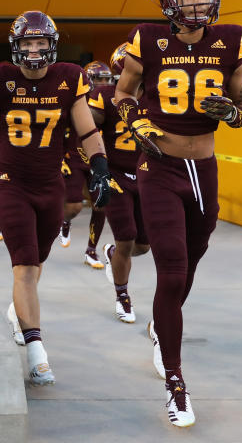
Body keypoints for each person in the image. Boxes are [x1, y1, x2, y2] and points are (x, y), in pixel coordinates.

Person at [114, 0, 242, 427]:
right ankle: (176, 382)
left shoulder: (231, 40)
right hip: (160, 166)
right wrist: (137, 121)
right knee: (172, 270)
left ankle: (161, 324)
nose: (198, 3)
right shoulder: (147, 38)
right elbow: (123, 94)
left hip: (204, 168)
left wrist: (231, 112)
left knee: (191, 264)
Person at [0, 11, 116, 385]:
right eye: (27, 43)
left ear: (52, 45)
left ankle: (19, 314)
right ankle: (37, 351)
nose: (34, 50)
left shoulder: (69, 77)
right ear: (16, 48)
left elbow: (86, 129)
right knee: (26, 266)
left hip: (50, 183)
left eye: (40, 43)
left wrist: (100, 167)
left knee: (37, 261)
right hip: (11, 180)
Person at [90, 45, 151, 323]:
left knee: (143, 245)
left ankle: (112, 254)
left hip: (147, 176)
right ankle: (122, 296)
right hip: (116, 174)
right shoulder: (104, 96)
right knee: (126, 237)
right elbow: (87, 132)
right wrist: (95, 168)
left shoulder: (156, 98)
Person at [62, 60, 115, 268]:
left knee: (101, 206)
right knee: (74, 205)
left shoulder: (112, 100)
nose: (103, 83)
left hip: (99, 160)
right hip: (75, 157)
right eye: (98, 79)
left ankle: (91, 250)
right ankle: (65, 221)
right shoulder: (76, 100)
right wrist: (60, 157)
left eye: (105, 79)